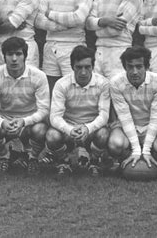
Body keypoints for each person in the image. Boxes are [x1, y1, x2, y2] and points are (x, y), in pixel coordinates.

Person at [0, 37, 49, 174]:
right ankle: (4, 156)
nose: (14, 59)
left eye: (18, 54)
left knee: (42, 129)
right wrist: (2, 122)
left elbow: (44, 109)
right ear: (4, 56)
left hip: (29, 121)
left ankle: (33, 158)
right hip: (5, 120)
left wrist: (24, 121)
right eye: (10, 54)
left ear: (25, 56)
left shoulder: (39, 76)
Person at [108, 46, 157, 172]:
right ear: (124, 67)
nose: (134, 72)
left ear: (146, 66)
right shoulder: (116, 82)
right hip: (125, 126)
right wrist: (137, 150)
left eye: (139, 66)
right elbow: (124, 117)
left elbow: (156, 117)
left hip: (151, 125)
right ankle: (125, 160)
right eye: (130, 67)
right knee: (115, 144)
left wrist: (146, 150)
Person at [46, 45, 110, 176]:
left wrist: (88, 128)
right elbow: (54, 116)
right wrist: (69, 130)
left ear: (93, 66)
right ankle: (64, 160)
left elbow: (104, 115)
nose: (83, 72)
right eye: (79, 67)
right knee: (52, 136)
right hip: (69, 128)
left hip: (92, 128)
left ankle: (94, 160)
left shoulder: (103, 83)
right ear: (72, 66)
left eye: (87, 67)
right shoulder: (61, 84)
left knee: (103, 134)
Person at [35, 0, 93, 92]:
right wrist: (64, 25)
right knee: (51, 90)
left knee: (74, 89)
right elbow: (38, 20)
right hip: (50, 47)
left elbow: (78, 18)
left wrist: (51, 13)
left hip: (73, 46)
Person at [86, 0, 143, 79]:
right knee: (99, 93)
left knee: (116, 92)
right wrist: (105, 20)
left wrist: (98, 24)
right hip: (100, 51)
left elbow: (117, 28)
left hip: (119, 51)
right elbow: (89, 24)